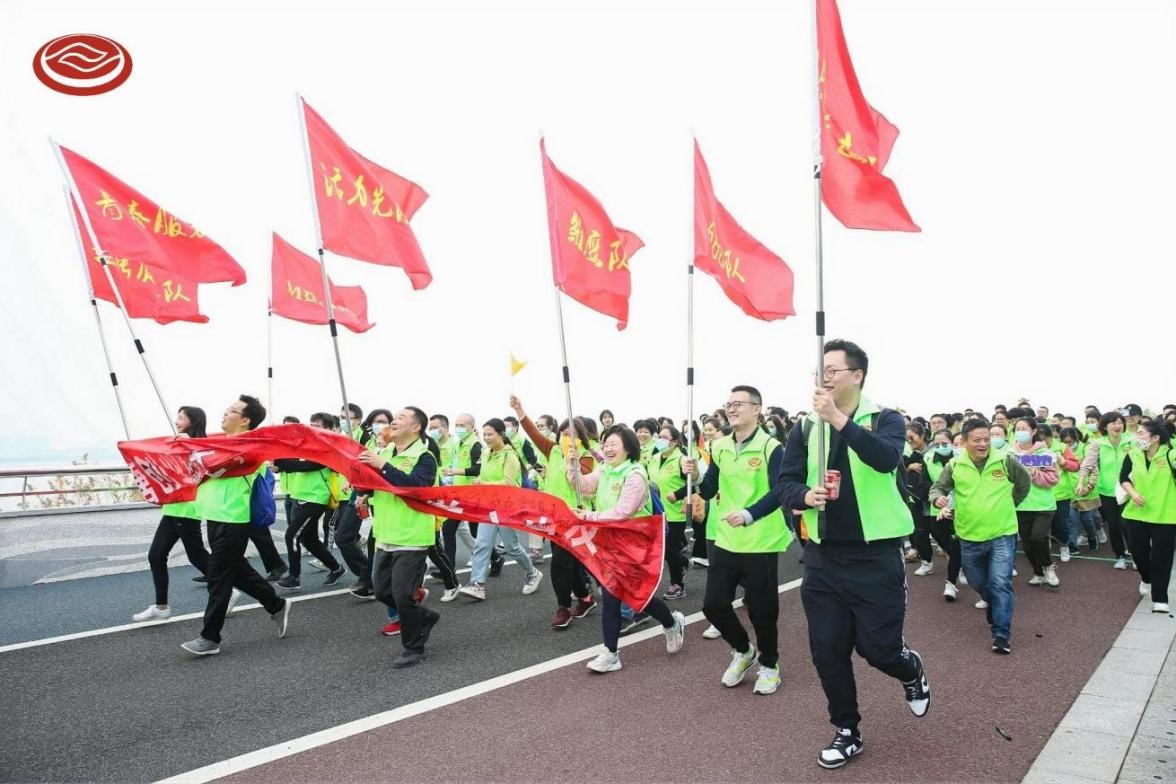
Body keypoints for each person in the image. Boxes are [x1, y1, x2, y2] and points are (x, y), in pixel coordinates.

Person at [775, 340, 929, 770]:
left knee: (878, 650)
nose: (823, 378)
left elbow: (885, 458)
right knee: (827, 649)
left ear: (857, 375)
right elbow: (785, 482)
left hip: (876, 556)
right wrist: (803, 495)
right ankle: (847, 730)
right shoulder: (804, 428)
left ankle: (910, 669)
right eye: (819, 371)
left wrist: (838, 418)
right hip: (823, 556)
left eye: (832, 370)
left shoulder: (885, 419)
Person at [683, 385, 790, 696]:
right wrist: (695, 475)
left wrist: (749, 514)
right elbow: (709, 487)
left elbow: (779, 491)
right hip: (727, 538)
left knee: (762, 610)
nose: (731, 409)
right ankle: (744, 651)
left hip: (760, 539)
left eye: (738, 404)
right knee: (714, 605)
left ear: (756, 409)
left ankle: (769, 664)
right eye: (728, 404)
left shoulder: (772, 447)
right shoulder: (719, 446)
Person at [570, 425, 686, 672]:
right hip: (609, 543)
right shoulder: (606, 469)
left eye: (613, 444)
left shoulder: (635, 474)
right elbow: (583, 486)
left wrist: (588, 517)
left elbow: (622, 512)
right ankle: (613, 652)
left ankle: (668, 624)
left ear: (628, 447)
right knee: (617, 594)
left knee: (632, 595)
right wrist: (572, 465)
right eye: (605, 444)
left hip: (633, 546)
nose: (608, 448)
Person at [181, 395, 290, 656]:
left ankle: (210, 638)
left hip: (234, 520)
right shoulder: (220, 445)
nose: (225, 413)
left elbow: (216, 466)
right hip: (214, 517)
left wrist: (195, 450)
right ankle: (276, 605)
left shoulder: (252, 448)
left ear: (245, 420)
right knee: (239, 572)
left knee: (218, 577)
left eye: (232, 410)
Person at [929, 418, 1031, 654]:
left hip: (1002, 533)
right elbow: (937, 488)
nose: (983, 444)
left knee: (1001, 582)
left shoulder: (1005, 460)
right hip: (969, 536)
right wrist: (938, 499)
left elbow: (1024, 483)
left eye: (987, 439)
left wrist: (1011, 504)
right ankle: (994, 602)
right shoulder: (955, 464)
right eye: (977, 440)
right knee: (977, 582)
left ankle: (1001, 635)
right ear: (965, 441)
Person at [357, 407, 441, 668]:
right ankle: (423, 616)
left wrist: (381, 465)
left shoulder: (425, 457)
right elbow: (371, 485)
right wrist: (362, 487)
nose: (394, 421)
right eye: (394, 418)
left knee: (403, 596)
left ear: (416, 427)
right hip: (385, 533)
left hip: (412, 535)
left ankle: (413, 648)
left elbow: (415, 487)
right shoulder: (383, 453)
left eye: (401, 418)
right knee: (382, 591)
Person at [511, 396, 598, 628]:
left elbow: (583, 485)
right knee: (571, 562)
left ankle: (563, 607)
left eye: (572, 434)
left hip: (575, 517)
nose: (566, 437)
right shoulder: (552, 450)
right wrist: (520, 410)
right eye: (563, 433)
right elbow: (533, 433)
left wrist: (574, 463)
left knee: (561, 562)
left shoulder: (587, 456)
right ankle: (585, 599)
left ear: (581, 437)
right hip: (552, 516)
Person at [133, 406, 213, 622]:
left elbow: (198, 471)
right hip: (173, 508)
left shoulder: (197, 445)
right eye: (177, 416)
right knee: (156, 555)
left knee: (197, 556)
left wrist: (185, 443)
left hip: (188, 509)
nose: (177, 420)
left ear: (193, 421)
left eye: (182, 417)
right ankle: (161, 607)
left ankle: (227, 589)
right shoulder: (180, 443)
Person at [458, 419, 543, 601]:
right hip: (488, 506)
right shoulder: (485, 453)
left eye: (490, 434)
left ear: (501, 434)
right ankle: (477, 584)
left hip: (506, 507)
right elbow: (483, 475)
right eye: (484, 434)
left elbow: (509, 483)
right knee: (482, 545)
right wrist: (479, 482)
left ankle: (532, 573)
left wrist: (484, 483)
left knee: (512, 547)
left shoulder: (510, 456)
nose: (486, 438)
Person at [273, 413, 346, 590]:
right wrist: (279, 463)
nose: (313, 428)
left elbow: (306, 466)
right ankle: (336, 568)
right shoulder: (306, 445)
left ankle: (294, 577)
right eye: (311, 424)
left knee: (291, 536)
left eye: (318, 426)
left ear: (329, 429)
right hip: (300, 496)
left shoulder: (328, 446)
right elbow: (293, 464)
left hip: (316, 498)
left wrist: (280, 461)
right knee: (309, 540)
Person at [1121, 420, 1175, 613]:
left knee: (1162, 557)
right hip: (1137, 513)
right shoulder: (1133, 454)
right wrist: (1133, 493)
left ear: (1155, 438)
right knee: (1138, 552)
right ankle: (1146, 578)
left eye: (1141, 433)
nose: (1137, 437)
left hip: (1166, 514)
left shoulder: (1171, 454)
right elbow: (1123, 478)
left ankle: (1160, 599)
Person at [341, 409, 392, 599]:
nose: (380, 425)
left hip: (388, 500)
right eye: (376, 422)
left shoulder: (395, 446)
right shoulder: (369, 442)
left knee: (377, 542)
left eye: (384, 421)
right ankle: (368, 577)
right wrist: (356, 485)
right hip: (367, 495)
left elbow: (390, 475)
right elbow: (362, 469)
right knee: (346, 537)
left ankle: (372, 581)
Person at [1077, 411, 1134, 569]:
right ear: (1104, 426)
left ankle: (1135, 553)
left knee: (1127, 524)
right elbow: (1088, 464)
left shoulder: (1131, 440)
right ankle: (1120, 556)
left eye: (1120, 422)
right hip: (1107, 490)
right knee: (1114, 525)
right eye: (1113, 423)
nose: (1117, 426)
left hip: (1128, 489)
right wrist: (1081, 482)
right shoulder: (1097, 443)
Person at [1010, 417, 1061, 587]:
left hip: (1043, 505)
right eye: (1017, 429)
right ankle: (1038, 573)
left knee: (1039, 537)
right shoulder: (1010, 454)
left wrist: (1033, 471)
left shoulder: (1045, 454)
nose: (1020, 432)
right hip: (1021, 505)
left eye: (1024, 429)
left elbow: (1053, 479)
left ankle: (1048, 567)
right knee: (1027, 544)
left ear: (1033, 431)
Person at [650, 423, 691, 600]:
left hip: (675, 514)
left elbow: (694, 484)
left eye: (665, 438)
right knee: (664, 551)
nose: (660, 440)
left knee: (670, 549)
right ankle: (683, 562)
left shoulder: (682, 460)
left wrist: (678, 494)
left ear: (674, 442)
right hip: (657, 513)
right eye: (659, 437)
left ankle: (678, 585)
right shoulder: (653, 458)